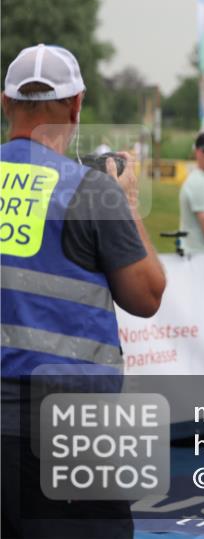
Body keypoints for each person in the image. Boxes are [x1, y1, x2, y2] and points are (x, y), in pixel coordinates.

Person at [1, 44, 167, 538]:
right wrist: (128, 200)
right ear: (76, 104)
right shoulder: (90, 190)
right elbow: (147, 296)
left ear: (5, 103)